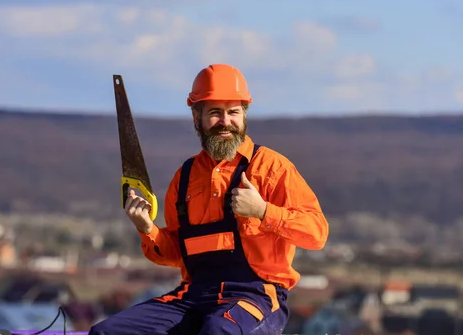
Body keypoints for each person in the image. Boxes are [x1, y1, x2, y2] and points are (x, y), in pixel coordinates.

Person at [89, 63, 329, 335]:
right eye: (215, 113)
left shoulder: (272, 168)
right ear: (197, 118)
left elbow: (317, 234)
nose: (225, 122)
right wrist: (147, 228)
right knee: (106, 332)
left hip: (257, 297)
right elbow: (176, 253)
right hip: (193, 296)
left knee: (218, 331)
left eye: (233, 112)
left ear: (244, 115)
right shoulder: (185, 177)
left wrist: (263, 211)